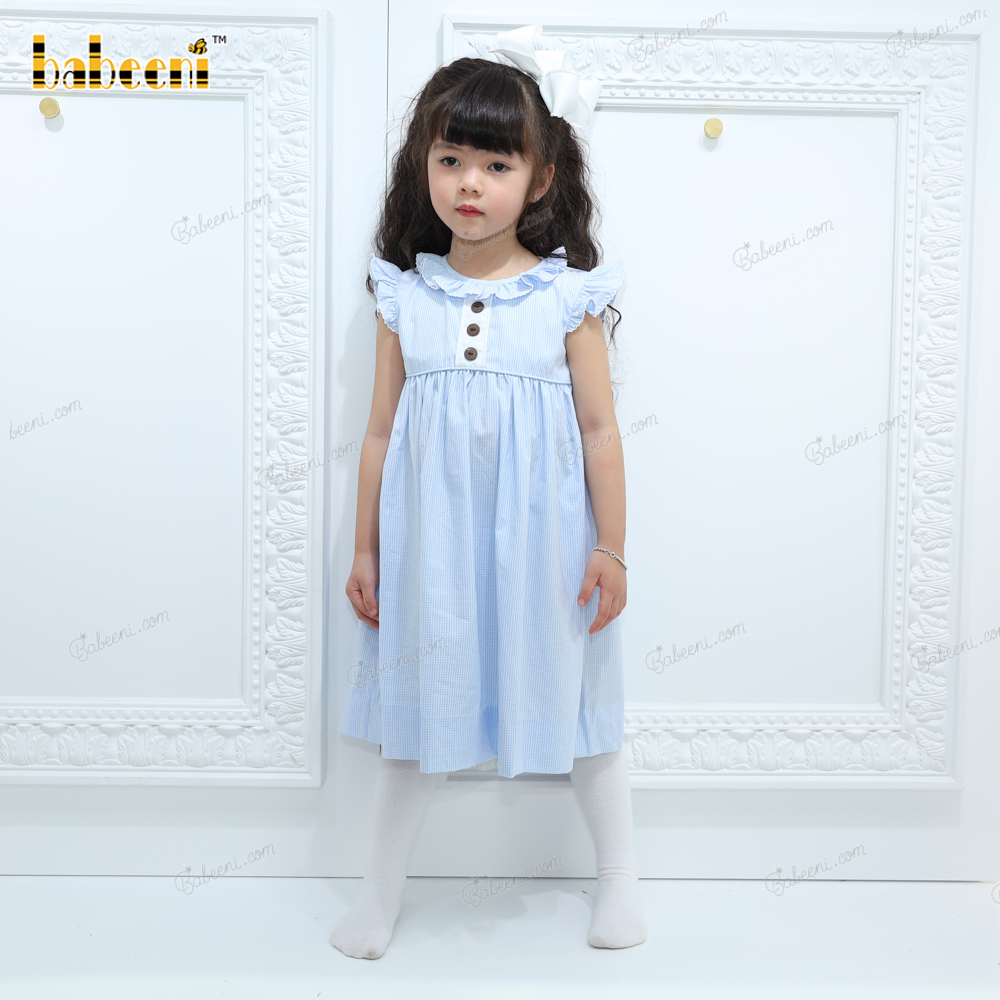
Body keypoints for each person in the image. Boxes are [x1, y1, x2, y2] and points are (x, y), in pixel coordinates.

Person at [331, 24, 646, 959]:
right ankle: (378, 894)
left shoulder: (566, 299)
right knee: (414, 709)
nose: (470, 183)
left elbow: (600, 432)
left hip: (548, 545)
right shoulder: (405, 299)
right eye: (451, 160)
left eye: (496, 164)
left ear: (540, 179)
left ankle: (621, 880)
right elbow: (380, 432)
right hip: (431, 545)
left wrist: (612, 546)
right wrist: (365, 549)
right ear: (424, 168)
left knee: (577, 703)